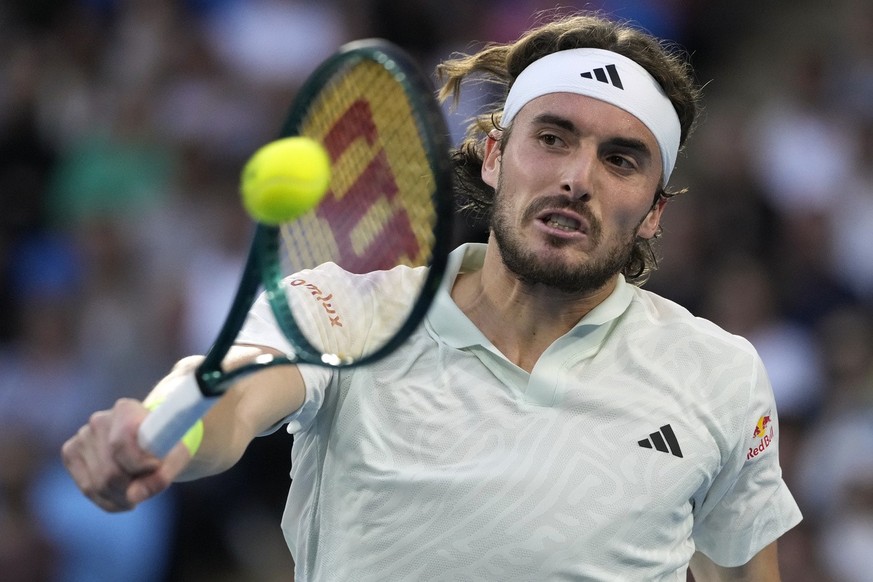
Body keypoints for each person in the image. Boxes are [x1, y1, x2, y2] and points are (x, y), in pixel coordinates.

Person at [62, 12, 802, 581]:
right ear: (491, 156)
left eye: (620, 159)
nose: (578, 176)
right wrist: (158, 432)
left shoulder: (718, 374)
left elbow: (739, 568)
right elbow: (232, 398)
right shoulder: (345, 309)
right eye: (552, 137)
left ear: (653, 211)